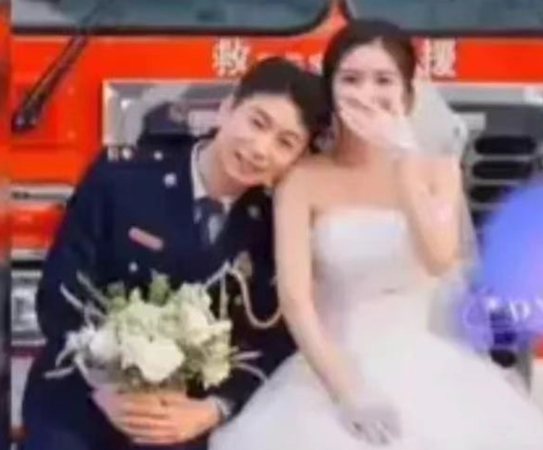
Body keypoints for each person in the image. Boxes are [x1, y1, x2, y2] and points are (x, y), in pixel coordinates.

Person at [209, 20, 543, 450]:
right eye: (351, 79)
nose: (366, 93)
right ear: (331, 89)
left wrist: (405, 162)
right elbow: (296, 300)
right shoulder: (303, 179)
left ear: (407, 92)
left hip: (428, 368)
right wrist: (347, 392)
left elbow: (438, 258)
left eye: (383, 80)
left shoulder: (438, 170)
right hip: (326, 372)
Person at [20, 57, 326, 450]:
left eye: (285, 143)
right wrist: (106, 386)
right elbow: (62, 294)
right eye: (257, 122)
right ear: (227, 108)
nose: (260, 149)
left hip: (185, 418)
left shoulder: (275, 223)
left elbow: (273, 341)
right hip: (83, 400)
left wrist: (214, 409)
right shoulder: (123, 179)